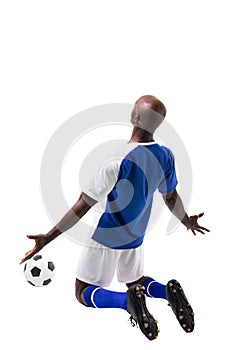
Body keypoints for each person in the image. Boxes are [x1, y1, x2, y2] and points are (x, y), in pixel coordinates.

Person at [20, 95, 209, 341]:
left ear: (135, 117)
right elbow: (170, 196)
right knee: (136, 281)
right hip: (137, 236)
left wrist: (48, 237)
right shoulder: (165, 156)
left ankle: (125, 303)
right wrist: (186, 220)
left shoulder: (117, 159)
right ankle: (166, 293)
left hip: (107, 235)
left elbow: (82, 206)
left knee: (82, 291)